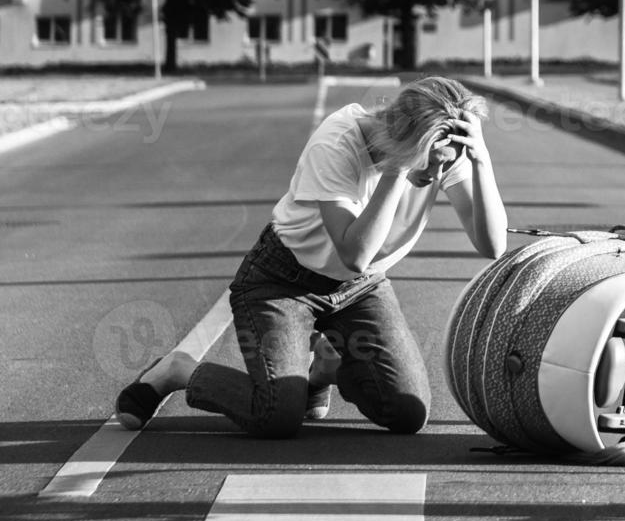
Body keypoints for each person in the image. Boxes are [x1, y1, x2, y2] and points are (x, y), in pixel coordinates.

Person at [115, 76, 508, 438]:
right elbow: (355, 252)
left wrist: (481, 161)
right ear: (403, 141)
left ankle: (326, 367)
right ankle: (179, 369)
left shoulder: (443, 151)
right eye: (431, 161)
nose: (437, 172)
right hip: (282, 282)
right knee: (276, 417)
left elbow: (491, 246)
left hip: (360, 288)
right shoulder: (338, 143)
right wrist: (399, 169)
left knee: (408, 414)